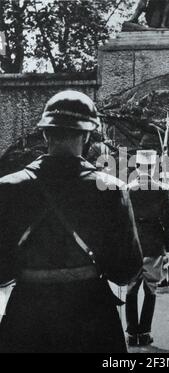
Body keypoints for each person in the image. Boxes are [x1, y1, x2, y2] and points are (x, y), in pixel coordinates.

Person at [0, 90, 142, 353]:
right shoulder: (110, 188)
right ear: (87, 135)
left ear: (45, 133)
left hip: (27, 317)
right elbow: (126, 271)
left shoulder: (6, 188)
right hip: (90, 315)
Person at [125, 150, 169, 347]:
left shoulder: (126, 189)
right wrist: (168, 249)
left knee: (131, 290)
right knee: (150, 290)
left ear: (136, 168)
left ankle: (131, 333)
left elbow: (120, 223)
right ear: (154, 168)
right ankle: (144, 333)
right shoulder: (164, 190)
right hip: (154, 243)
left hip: (132, 244)